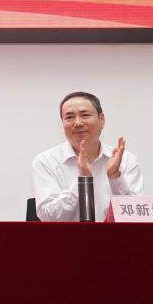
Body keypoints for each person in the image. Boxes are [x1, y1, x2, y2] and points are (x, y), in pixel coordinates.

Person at [32, 91, 143, 222]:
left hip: (113, 235)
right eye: (69, 117)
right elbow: (47, 217)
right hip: (66, 235)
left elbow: (137, 216)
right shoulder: (46, 161)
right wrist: (82, 181)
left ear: (102, 120)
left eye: (85, 115)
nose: (78, 123)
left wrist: (115, 177)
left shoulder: (126, 160)